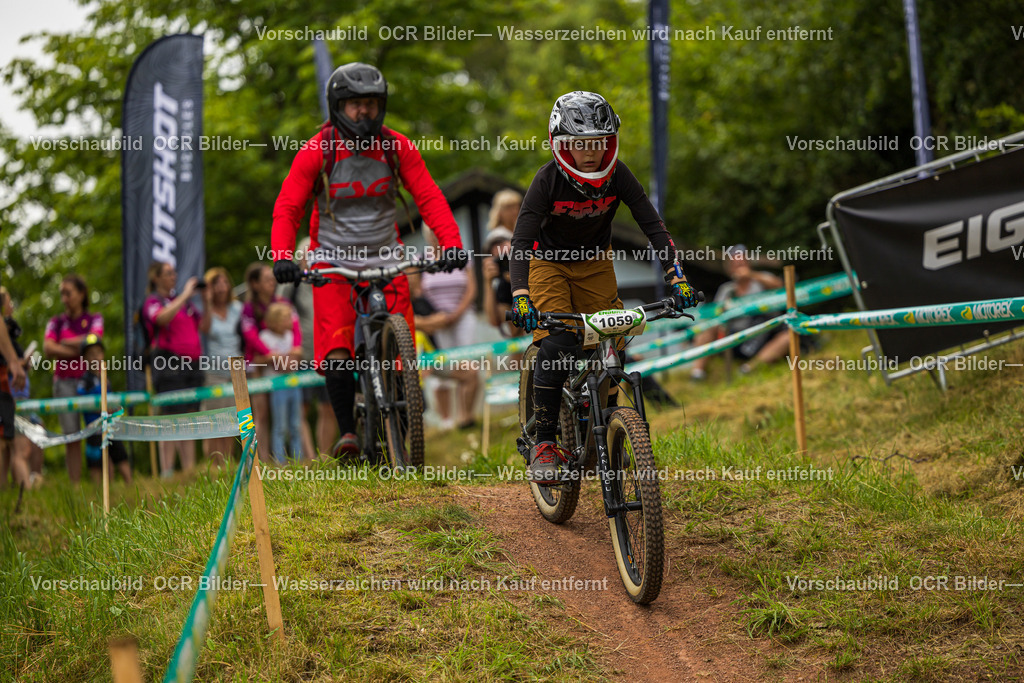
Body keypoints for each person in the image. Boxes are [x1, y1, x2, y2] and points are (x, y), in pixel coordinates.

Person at [269, 62, 467, 459]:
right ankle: (348, 433)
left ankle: (404, 431)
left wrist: (451, 244)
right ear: (338, 107)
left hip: (385, 254)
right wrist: (283, 256)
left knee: (401, 345)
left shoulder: (397, 147)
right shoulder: (318, 151)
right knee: (338, 343)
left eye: (373, 104)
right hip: (332, 260)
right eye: (356, 104)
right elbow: (288, 207)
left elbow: (429, 196)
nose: (365, 113)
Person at [508, 91, 700, 484]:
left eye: (599, 143)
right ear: (563, 146)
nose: (591, 153)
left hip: (595, 262)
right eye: (581, 145)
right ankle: (545, 441)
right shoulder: (546, 180)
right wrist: (521, 295)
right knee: (560, 340)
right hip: (548, 264)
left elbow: (653, 226)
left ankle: (608, 427)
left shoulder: (619, 175)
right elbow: (521, 240)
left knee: (613, 338)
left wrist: (675, 275)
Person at [141, 261, 209, 477]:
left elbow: (204, 326)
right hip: (169, 362)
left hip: (193, 364)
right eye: (168, 273)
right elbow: (160, 318)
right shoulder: (154, 301)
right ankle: (167, 471)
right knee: (171, 415)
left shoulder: (185, 304)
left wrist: (206, 302)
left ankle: (189, 469)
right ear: (156, 278)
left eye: (174, 273)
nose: (173, 276)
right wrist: (186, 295)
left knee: (189, 417)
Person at [689, 245, 789, 380]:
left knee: (788, 337)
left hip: (765, 333)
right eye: (735, 264)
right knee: (707, 328)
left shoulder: (762, 280)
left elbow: (779, 285)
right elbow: (716, 315)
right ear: (730, 269)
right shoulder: (727, 289)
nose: (740, 267)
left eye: (742, 262)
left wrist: (751, 275)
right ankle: (697, 373)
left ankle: (748, 369)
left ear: (749, 263)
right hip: (735, 335)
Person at [415, 226, 480, 431]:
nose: (435, 237)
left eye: (438, 232)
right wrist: (433, 320)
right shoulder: (421, 259)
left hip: (462, 316)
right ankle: (446, 419)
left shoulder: (462, 256)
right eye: (431, 233)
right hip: (435, 323)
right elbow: (416, 292)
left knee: (464, 364)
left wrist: (457, 313)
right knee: (442, 366)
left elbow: (472, 287)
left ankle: (464, 416)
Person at [240, 262, 304, 463]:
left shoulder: (283, 302)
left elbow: (295, 329)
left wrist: (294, 352)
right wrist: (271, 355)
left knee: (290, 417)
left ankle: (300, 458)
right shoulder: (249, 308)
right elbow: (250, 336)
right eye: (267, 279)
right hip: (258, 366)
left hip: (284, 367)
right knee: (261, 414)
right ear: (255, 283)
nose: (272, 282)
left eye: (272, 278)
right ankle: (258, 460)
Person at [43, 274, 102, 482]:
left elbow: (95, 341)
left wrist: (66, 343)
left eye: (68, 293)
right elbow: (48, 348)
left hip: (91, 383)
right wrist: (81, 348)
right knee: (72, 436)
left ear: (81, 293)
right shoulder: (56, 321)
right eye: (62, 294)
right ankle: (75, 485)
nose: (64, 298)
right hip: (64, 383)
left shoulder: (94, 317)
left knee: (98, 432)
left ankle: (101, 484)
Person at [200, 266, 243, 465]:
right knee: (214, 422)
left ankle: (228, 463)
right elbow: (205, 329)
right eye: (216, 283)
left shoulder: (237, 309)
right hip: (214, 373)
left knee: (233, 422)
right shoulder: (205, 311)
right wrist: (207, 302)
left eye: (224, 282)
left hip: (236, 372)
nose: (222, 287)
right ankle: (214, 465)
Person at [76, 335, 132, 485]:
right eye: (90, 354)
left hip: (111, 426)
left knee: (119, 455)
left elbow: (112, 401)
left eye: (98, 353)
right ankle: (98, 490)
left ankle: (129, 484)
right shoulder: (84, 381)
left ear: (103, 355)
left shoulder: (106, 378)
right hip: (94, 429)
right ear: (85, 359)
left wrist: (114, 409)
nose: (95, 357)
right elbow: (83, 402)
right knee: (96, 461)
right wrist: (102, 409)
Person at [2, 287, 43, 488]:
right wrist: (16, 363)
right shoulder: (5, 336)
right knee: (20, 451)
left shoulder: (10, 340)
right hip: (11, 398)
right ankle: (26, 492)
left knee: (6, 449)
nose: (12, 307)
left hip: (13, 398)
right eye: (8, 303)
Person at [259, 303, 305, 463]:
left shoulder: (290, 335)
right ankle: (280, 461)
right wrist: (280, 358)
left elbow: (294, 360)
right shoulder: (265, 337)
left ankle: (298, 460)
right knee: (280, 426)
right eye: (286, 318)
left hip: (293, 384)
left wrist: (279, 357)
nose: (290, 321)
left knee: (296, 424)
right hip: (277, 386)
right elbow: (270, 361)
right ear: (276, 320)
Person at [481, 226, 521, 335]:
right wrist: (488, 282)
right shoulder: (500, 286)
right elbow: (494, 321)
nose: (499, 249)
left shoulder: (532, 268)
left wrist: (519, 279)